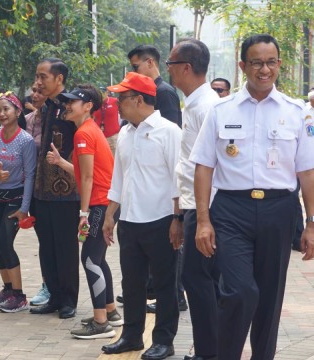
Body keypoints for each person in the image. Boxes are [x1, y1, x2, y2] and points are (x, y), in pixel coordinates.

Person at [190, 34, 314, 360]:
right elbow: (203, 168)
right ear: (243, 65)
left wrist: (311, 224)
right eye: (256, 62)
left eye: (271, 62)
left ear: (279, 65)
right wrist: (203, 221)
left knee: (270, 299)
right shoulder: (220, 110)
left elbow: (307, 173)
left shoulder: (297, 112)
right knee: (240, 291)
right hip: (232, 210)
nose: (264, 69)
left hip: (279, 209)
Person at [101, 72, 182, 360]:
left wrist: (177, 219)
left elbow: (178, 179)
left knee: (164, 284)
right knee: (131, 283)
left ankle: (164, 340)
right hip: (130, 221)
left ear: (138, 99)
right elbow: (118, 178)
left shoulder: (168, 131)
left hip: (161, 221)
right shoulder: (126, 132)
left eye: (121, 98)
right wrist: (110, 215)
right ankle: (132, 336)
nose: (116, 103)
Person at [45, 84, 123, 339]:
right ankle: (110, 311)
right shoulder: (89, 130)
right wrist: (61, 162)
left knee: (90, 260)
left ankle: (101, 323)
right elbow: (86, 173)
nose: (67, 106)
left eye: (72, 103)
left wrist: (83, 214)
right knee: (97, 259)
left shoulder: (83, 134)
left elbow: (88, 179)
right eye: (66, 102)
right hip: (105, 202)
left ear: (88, 106)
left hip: (100, 204)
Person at [167, 38, 221, 360]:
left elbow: (208, 167)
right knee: (201, 280)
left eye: (172, 64)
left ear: (186, 68)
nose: (169, 71)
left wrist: (203, 218)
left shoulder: (207, 106)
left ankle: (209, 352)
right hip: (193, 208)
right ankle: (208, 350)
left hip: (206, 210)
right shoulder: (195, 105)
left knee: (197, 279)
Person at [28, 58, 80, 320]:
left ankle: (69, 299)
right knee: (46, 247)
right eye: (37, 76)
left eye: (43, 77)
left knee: (65, 248)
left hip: (66, 192)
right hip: (42, 191)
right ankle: (55, 296)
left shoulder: (71, 106)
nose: (38, 82)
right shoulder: (46, 107)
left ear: (59, 79)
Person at [0, 92, 36, 313]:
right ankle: (7, 288)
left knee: (6, 242)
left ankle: (19, 295)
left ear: (17, 112)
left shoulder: (26, 140)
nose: (2, 114)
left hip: (16, 199)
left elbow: (30, 175)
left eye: (7, 109)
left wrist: (24, 209)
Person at [22, 84, 50, 306]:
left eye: (40, 91)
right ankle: (46, 284)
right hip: (33, 189)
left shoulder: (59, 119)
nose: (35, 95)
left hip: (55, 189)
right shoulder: (28, 119)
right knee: (43, 241)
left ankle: (59, 287)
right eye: (34, 91)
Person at [128, 45, 182, 127]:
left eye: (136, 67)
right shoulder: (142, 92)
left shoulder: (165, 92)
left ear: (150, 62)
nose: (133, 72)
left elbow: (169, 131)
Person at [92, 86, 120, 154]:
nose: (101, 95)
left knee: (114, 160)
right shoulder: (95, 104)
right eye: (99, 93)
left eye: (102, 93)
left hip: (113, 137)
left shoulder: (114, 101)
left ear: (107, 92)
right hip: (99, 137)